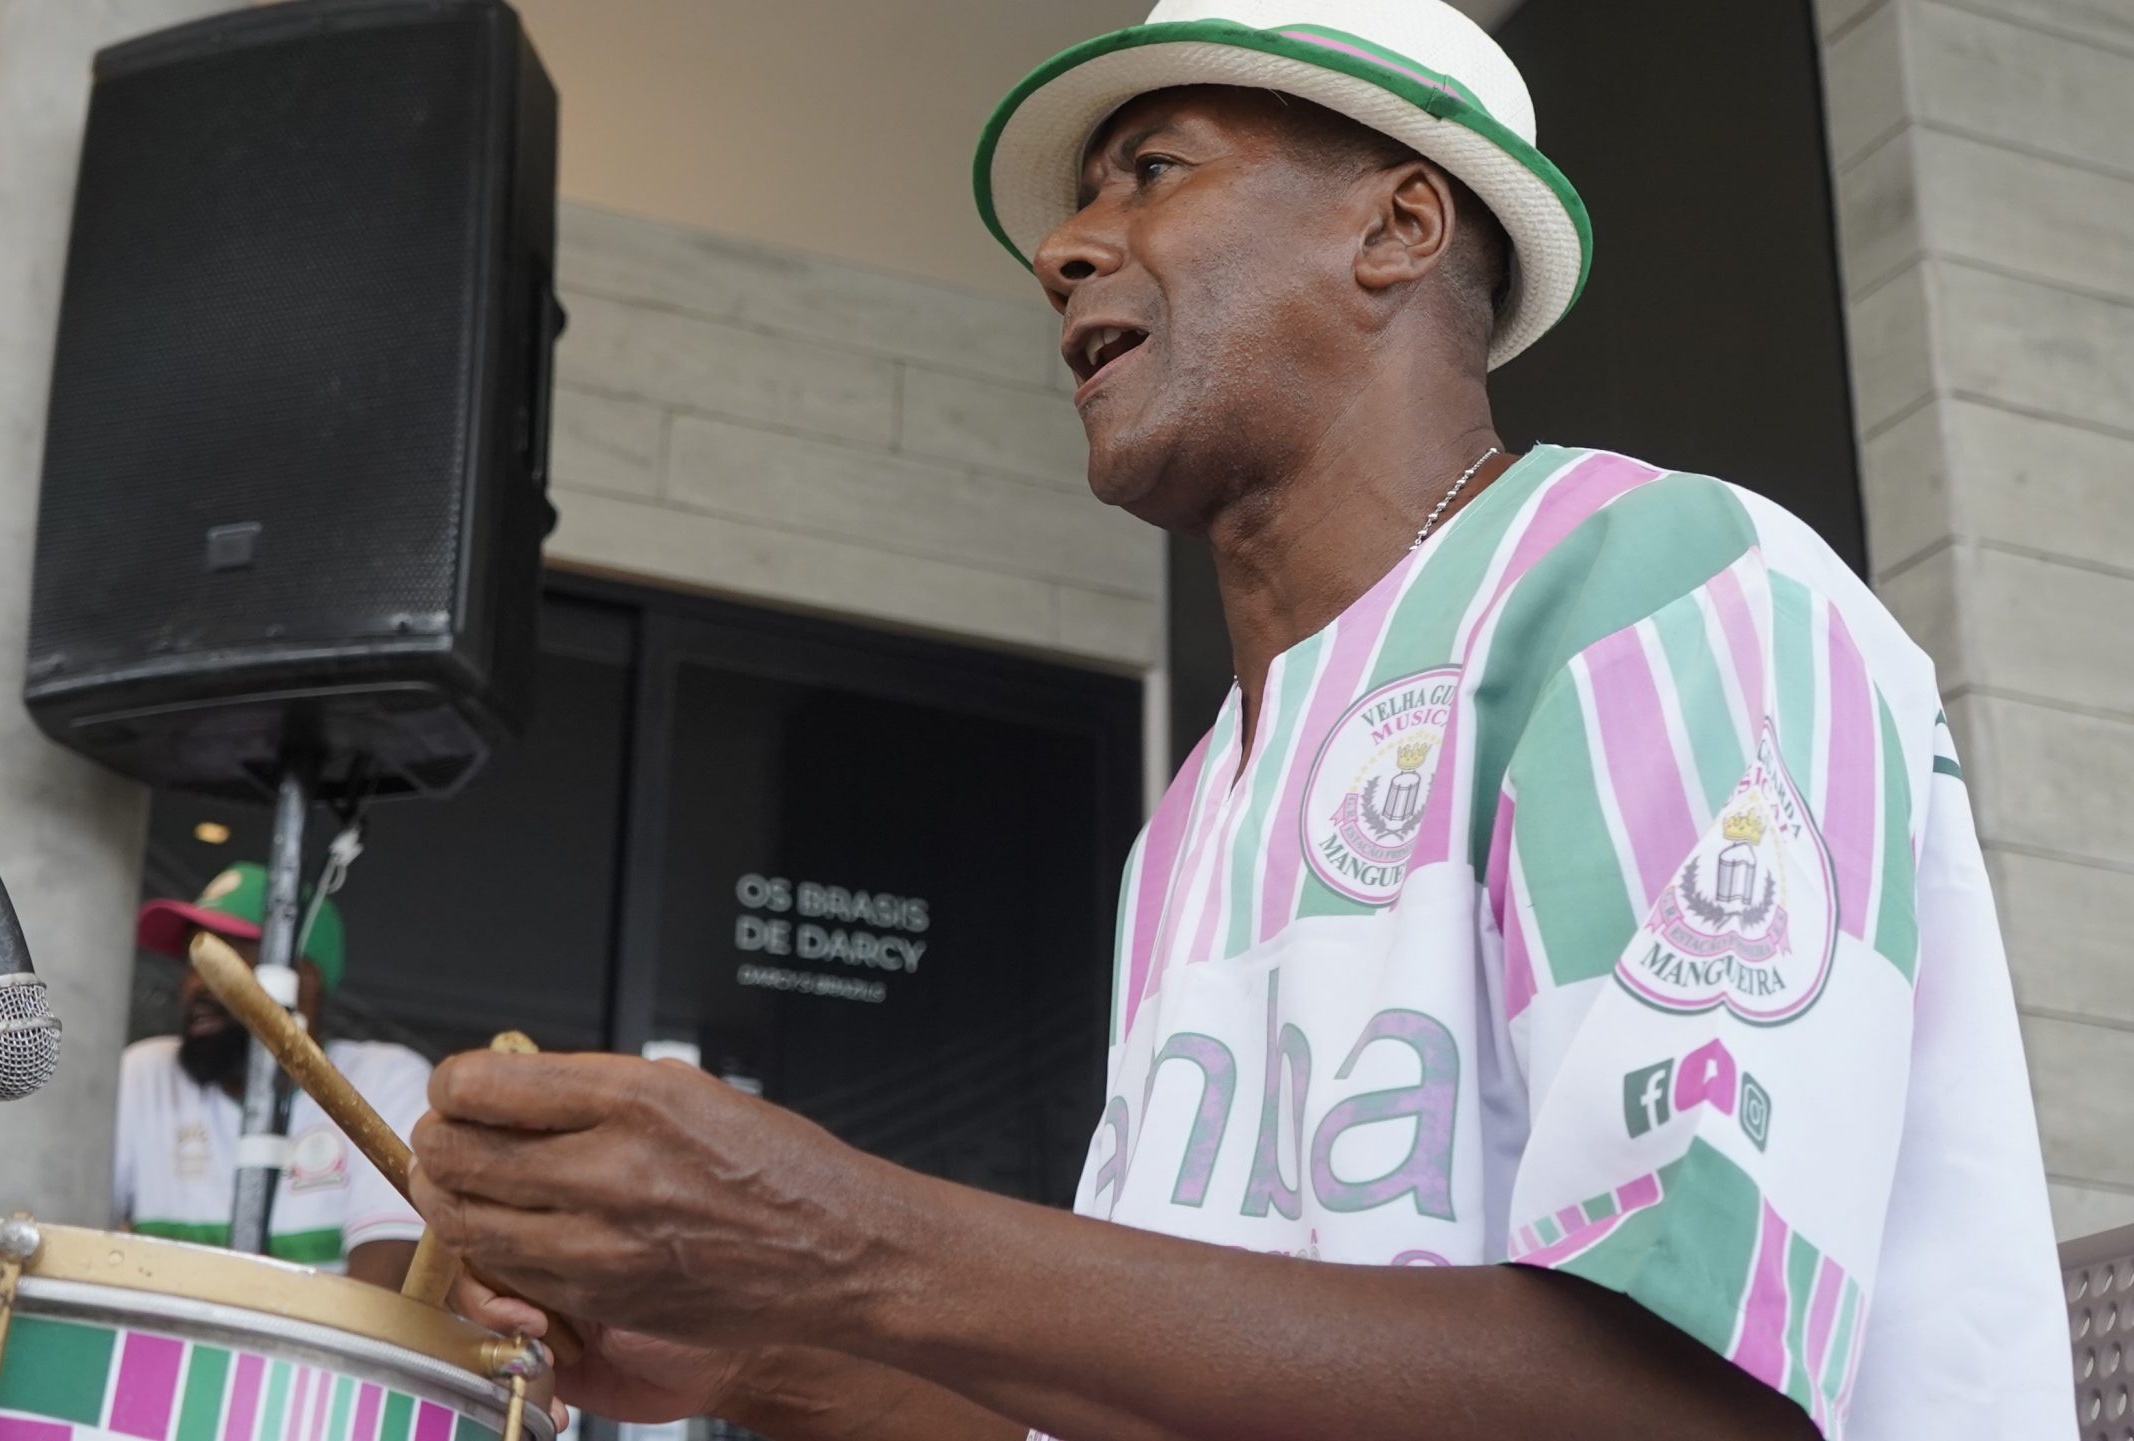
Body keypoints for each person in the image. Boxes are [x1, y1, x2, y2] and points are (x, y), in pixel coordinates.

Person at [406, 2, 2074, 1437]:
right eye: (1083, 201)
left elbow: (1685, 1403)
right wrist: (757, 1344)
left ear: (1398, 228)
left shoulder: (1660, 587)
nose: (1063, 249)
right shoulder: (1203, 802)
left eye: (1153, 169)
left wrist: (847, 1240)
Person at [115, 860, 430, 1289]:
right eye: (193, 962)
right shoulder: (145, 1073)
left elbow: (383, 1300)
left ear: (304, 980)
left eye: (224, 962)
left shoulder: (384, 1081)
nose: (194, 986)